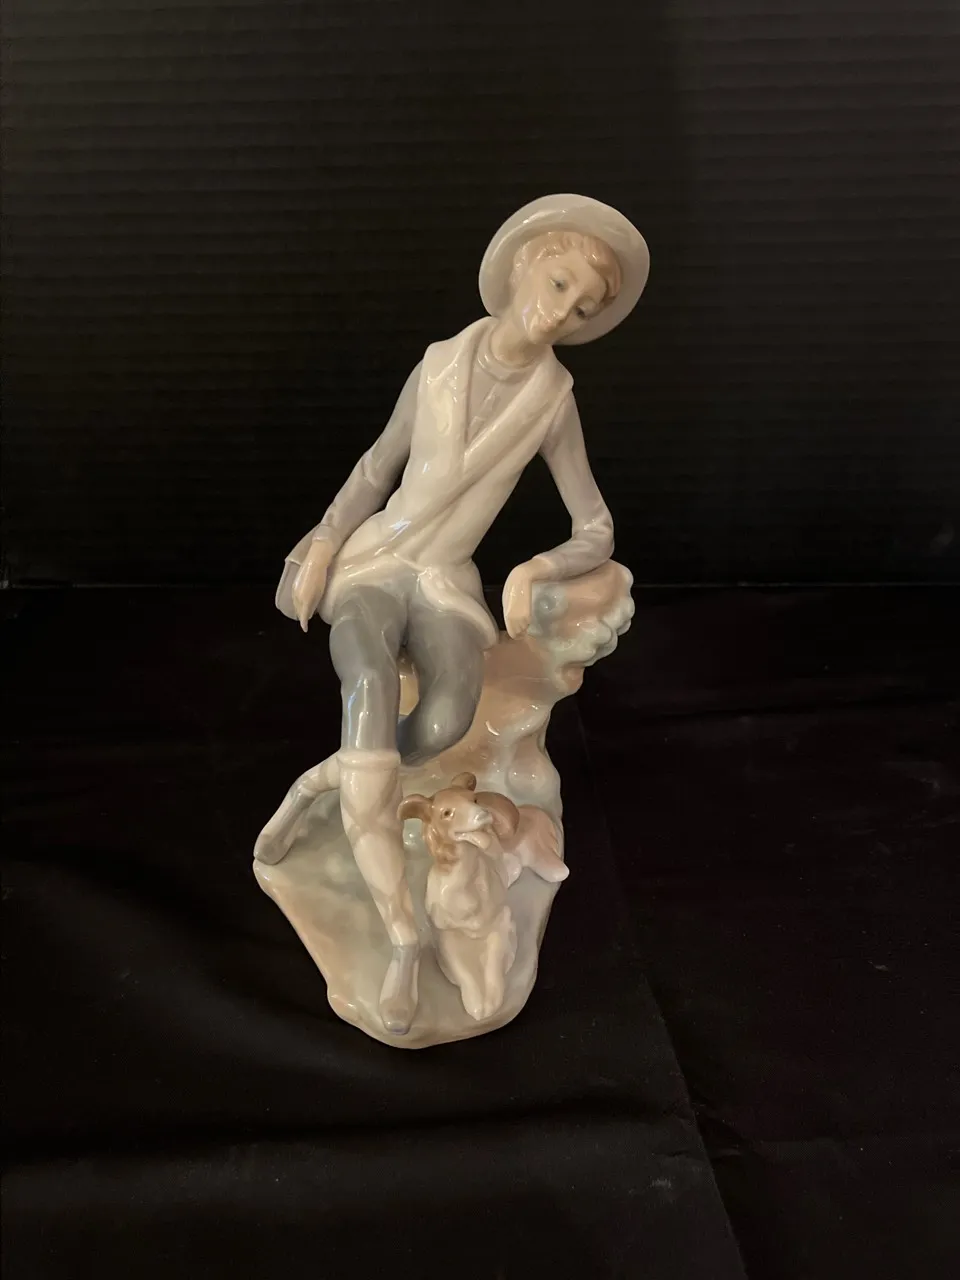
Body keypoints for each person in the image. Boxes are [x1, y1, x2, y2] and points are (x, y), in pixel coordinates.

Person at [260, 194, 649, 1033]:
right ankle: (404, 940)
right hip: (376, 564)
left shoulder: (552, 400)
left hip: (442, 584)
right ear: (521, 269)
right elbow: (376, 467)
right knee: (368, 679)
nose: (561, 313)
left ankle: (329, 786)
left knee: (443, 722)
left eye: (583, 308)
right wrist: (322, 541)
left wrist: (539, 566)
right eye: (557, 284)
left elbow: (597, 527)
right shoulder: (439, 363)